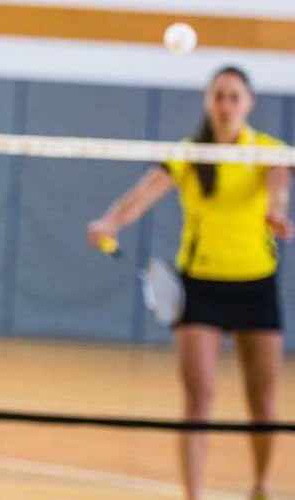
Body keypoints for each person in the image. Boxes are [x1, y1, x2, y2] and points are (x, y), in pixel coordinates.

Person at [87, 66, 290, 500]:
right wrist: (112, 220)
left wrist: (276, 210)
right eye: (219, 95)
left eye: (235, 96)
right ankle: (192, 495)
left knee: (264, 405)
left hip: (256, 287)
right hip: (200, 288)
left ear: (249, 104)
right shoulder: (188, 153)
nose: (226, 104)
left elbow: (277, 183)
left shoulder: (270, 151)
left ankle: (260, 485)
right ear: (208, 102)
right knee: (199, 402)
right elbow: (144, 192)